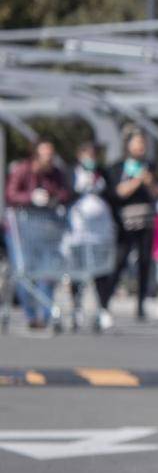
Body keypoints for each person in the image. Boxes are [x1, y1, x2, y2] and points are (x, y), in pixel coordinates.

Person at [4, 138, 72, 330]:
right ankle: (31, 315)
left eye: (51, 154)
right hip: (21, 231)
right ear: (36, 154)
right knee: (25, 271)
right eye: (45, 154)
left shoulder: (55, 173)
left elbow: (66, 193)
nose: (49, 158)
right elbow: (10, 195)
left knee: (48, 271)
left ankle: (47, 313)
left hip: (45, 229)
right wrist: (30, 197)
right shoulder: (22, 170)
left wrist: (53, 197)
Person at [105, 129, 158, 321]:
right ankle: (105, 301)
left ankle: (140, 304)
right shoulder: (117, 167)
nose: (140, 147)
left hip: (146, 221)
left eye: (142, 143)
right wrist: (138, 180)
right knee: (119, 261)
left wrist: (149, 183)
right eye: (136, 142)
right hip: (125, 223)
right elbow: (117, 192)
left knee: (145, 262)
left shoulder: (150, 167)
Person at [66, 141, 117, 332]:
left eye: (94, 155)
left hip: (100, 231)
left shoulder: (102, 173)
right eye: (87, 154)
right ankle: (76, 308)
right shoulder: (72, 172)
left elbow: (113, 195)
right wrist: (80, 188)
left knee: (102, 271)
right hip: (78, 231)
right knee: (77, 270)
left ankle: (103, 308)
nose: (91, 159)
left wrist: (99, 187)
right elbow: (65, 194)